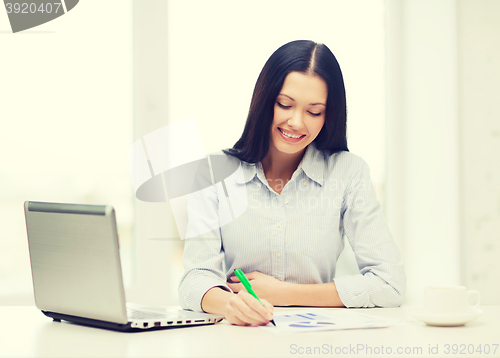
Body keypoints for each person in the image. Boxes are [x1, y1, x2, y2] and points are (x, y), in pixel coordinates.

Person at [178, 40, 405, 326]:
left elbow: (390, 284)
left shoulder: (349, 172)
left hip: (318, 338)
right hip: (241, 337)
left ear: (329, 115)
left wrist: (285, 293)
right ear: (264, 100)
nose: (296, 122)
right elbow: (194, 280)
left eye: (314, 112)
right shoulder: (212, 173)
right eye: (285, 104)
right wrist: (232, 304)